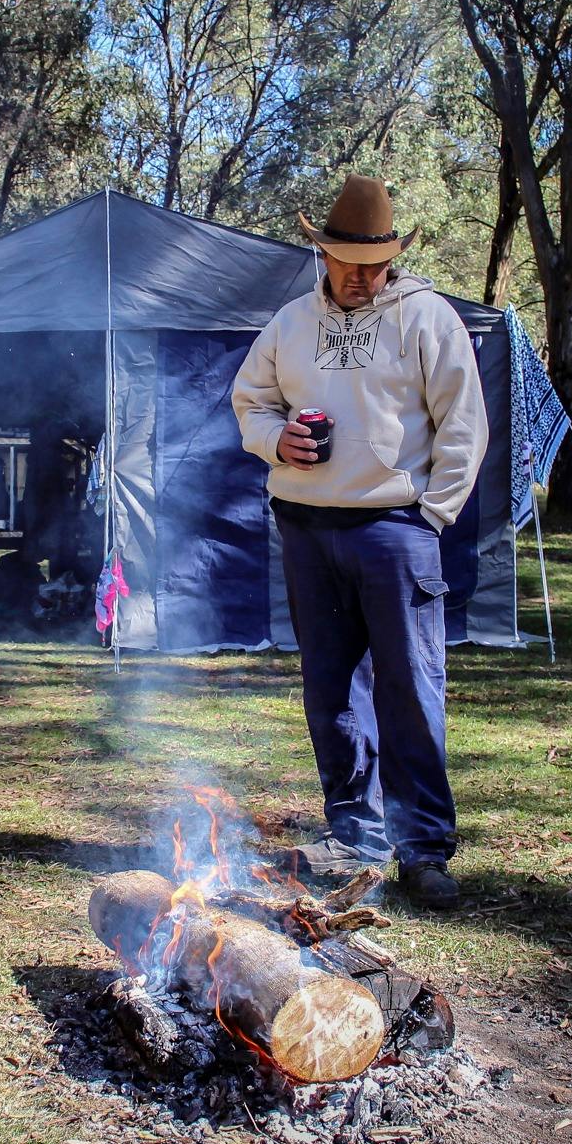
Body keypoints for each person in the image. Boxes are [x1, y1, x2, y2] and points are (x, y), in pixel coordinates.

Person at [231, 174, 487, 910]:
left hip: (394, 529)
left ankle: (425, 850)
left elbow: (463, 426)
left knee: (411, 687)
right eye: (348, 264)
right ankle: (354, 838)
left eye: (374, 265)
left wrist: (428, 516)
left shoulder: (426, 318)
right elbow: (251, 401)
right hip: (306, 528)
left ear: (391, 258)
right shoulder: (287, 324)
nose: (363, 277)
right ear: (323, 256)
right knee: (332, 690)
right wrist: (277, 442)